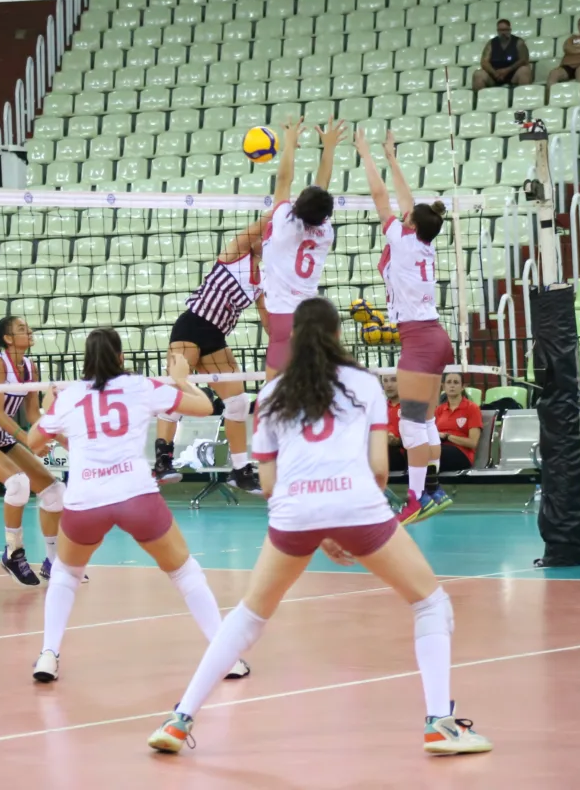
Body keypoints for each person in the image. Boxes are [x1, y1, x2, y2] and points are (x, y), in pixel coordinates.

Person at [146, 297, 490, 757]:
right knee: (431, 604)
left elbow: (268, 481)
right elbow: (379, 469)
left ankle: (180, 718)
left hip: (294, 513)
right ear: (336, 335)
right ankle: (438, 723)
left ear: (292, 340)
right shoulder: (362, 384)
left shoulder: (271, 395)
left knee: (249, 615)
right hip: (356, 504)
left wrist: (317, 525)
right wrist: (342, 522)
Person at [25, 330, 251, 683]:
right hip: (136, 496)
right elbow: (206, 407)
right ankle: (226, 657)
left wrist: (51, 404)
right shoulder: (140, 386)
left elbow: (34, 441)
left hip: (86, 502)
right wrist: (181, 380)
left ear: (85, 360)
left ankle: (48, 655)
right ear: (120, 357)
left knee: (66, 575)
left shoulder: (70, 398)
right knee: (184, 572)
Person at [354, 127, 453, 524]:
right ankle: (432, 489)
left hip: (419, 340)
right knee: (425, 420)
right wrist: (392, 156)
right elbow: (406, 201)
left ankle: (415, 499)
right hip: (435, 336)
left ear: (410, 222)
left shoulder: (403, 240)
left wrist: (366, 155)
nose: (403, 211)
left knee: (410, 423)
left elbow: (382, 199)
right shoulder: (423, 241)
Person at [153, 209, 270, 489]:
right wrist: (283, 206)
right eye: (264, 237)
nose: (264, 241)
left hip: (215, 338)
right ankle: (162, 462)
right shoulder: (236, 253)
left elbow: (270, 325)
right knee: (177, 391)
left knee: (238, 402)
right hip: (192, 326)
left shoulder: (262, 284)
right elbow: (259, 226)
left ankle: (240, 469)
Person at [0, 315, 62, 585]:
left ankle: (53, 561)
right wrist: (28, 439)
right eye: (21, 329)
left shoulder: (30, 366)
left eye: (27, 328)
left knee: (54, 491)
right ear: (7, 338)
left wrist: (46, 434)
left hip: (4, 439)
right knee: (18, 483)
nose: (29, 331)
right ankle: (13, 553)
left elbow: (30, 412)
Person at [263, 117, 346, 377]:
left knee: (274, 397)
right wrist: (329, 148)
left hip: (283, 318)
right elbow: (319, 187)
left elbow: (283, 181)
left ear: (297, 205)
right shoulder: (325, 231)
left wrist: (289, 144)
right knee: (313, 389)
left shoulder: (285, 223)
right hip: (311, 318)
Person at [434, 372, 482, 474]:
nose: (452, 385)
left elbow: (473, 443)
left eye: (456, 382)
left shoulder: (472, 408)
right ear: (444, 386)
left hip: (462, 453)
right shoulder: (440, 409)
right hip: (441, 448)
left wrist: (447, 436)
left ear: (462, 387)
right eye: (449, 382)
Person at [470, 18, 532, 91]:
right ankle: (479, 100)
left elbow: (524, 60)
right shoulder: (491, 44)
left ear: (510, 30)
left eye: (505, 30)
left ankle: (523, 99)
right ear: (497, 31)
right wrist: (495, 73)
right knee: (478, 74)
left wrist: (507, 70)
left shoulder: (518, 42)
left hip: (513, 75)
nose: (503, 33)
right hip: (495, 76)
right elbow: (484, 62)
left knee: (524, 71)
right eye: (500, 30)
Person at [382, 373, 406, 471]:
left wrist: (398, 441)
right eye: (385, 381)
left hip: (403, 454)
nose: (389, 385)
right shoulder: (379, 407)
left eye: (393, 380)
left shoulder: (411, 407)